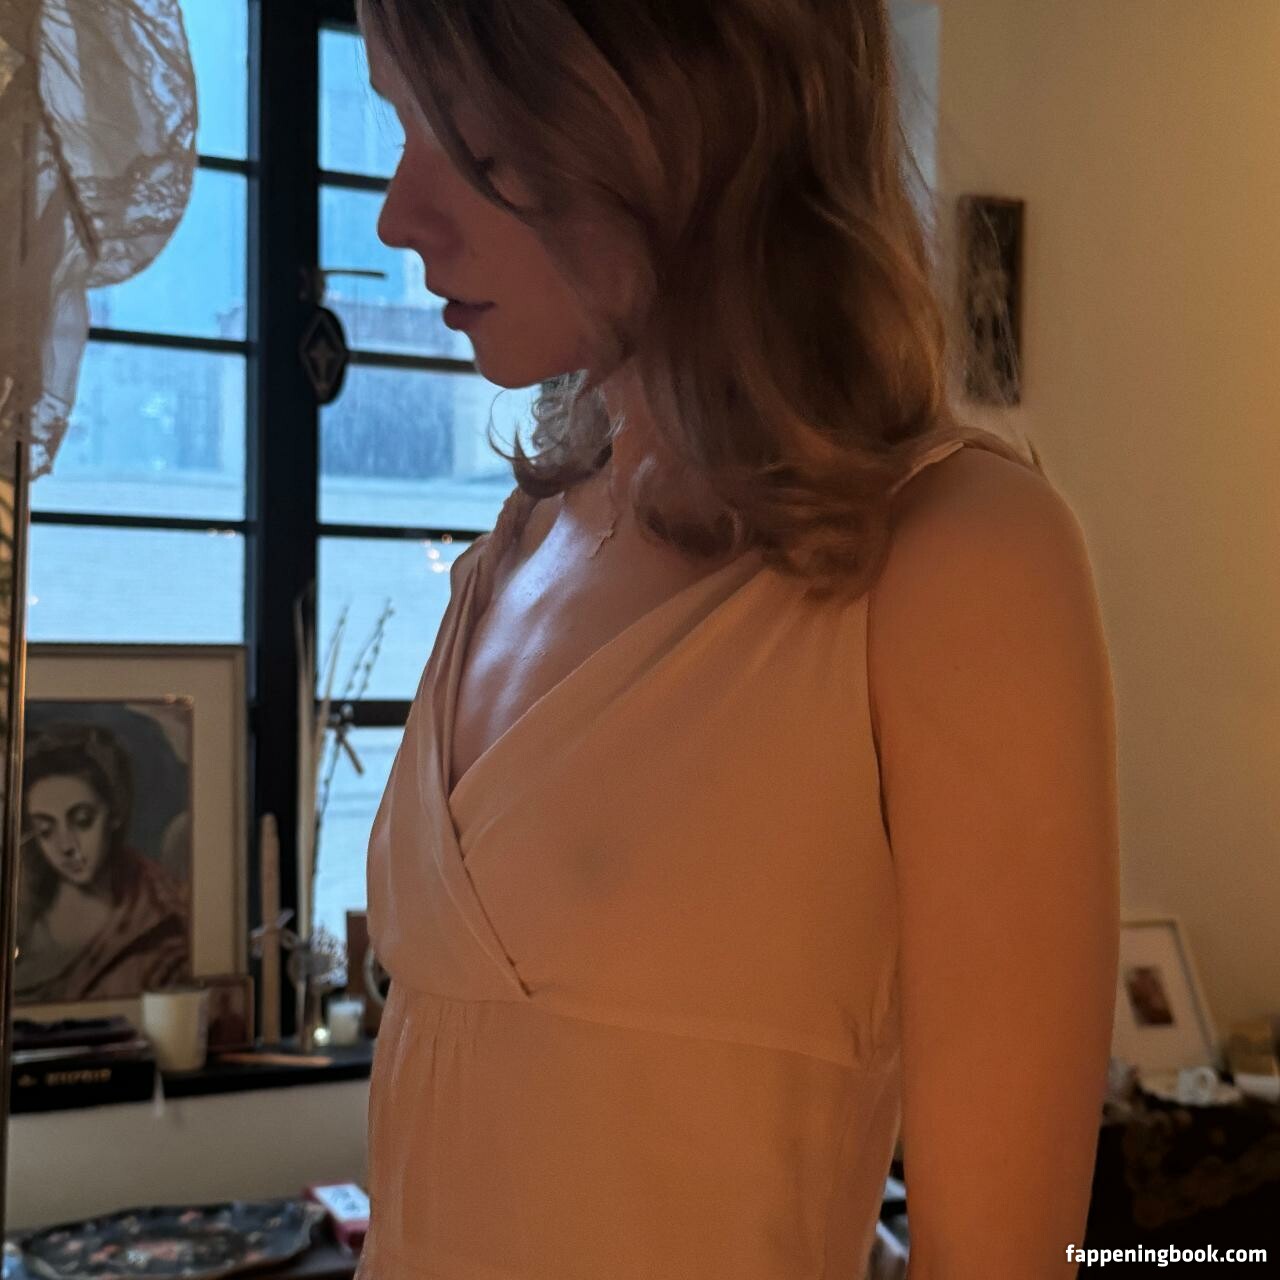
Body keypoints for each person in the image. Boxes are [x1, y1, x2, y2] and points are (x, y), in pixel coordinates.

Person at [355, 2, 1119, 1278]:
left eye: (474, 140)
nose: (399, 216)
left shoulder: (954, 562)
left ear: (692, 110)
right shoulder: (514, 546)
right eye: (399, 125)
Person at [15, 722, 190, 1003]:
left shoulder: (157, 924)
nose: (66, 846)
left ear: (115, 812)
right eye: (45, 830)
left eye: (82, 820)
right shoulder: (22, 907)